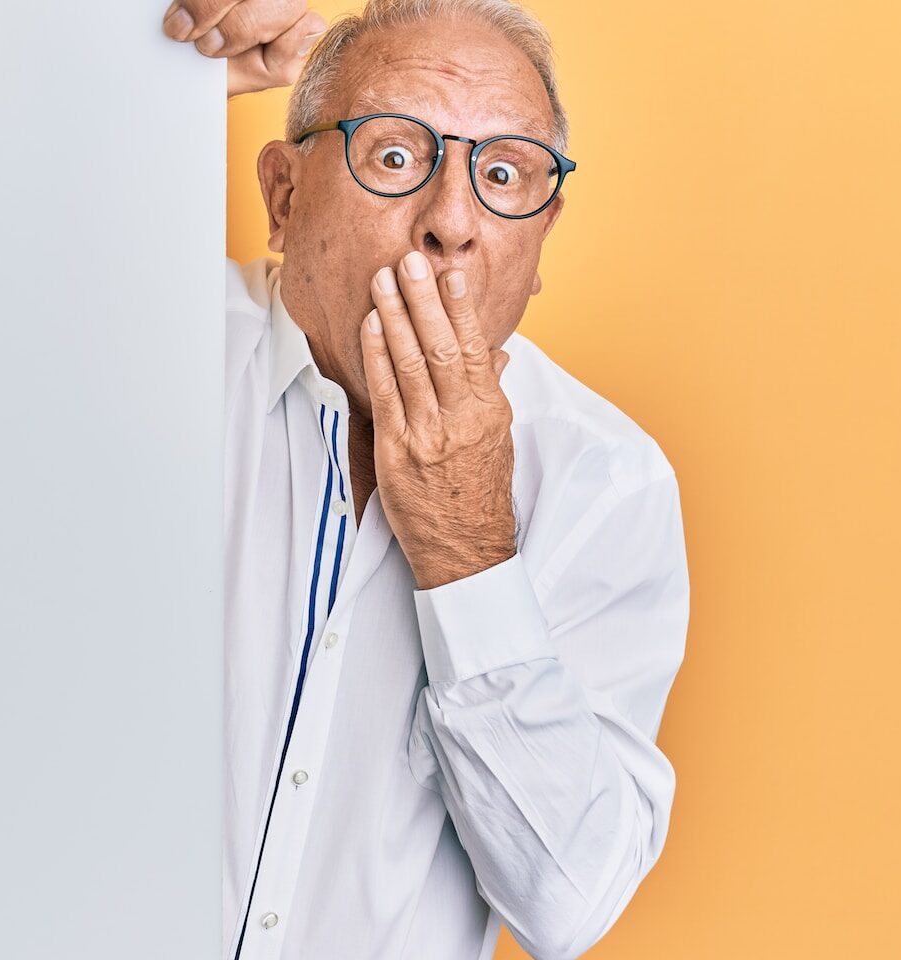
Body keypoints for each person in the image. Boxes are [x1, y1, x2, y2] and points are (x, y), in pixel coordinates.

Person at [165, 1, 690, 958]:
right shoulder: (148, 352)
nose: (451, 222)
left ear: (540, 243)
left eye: (502, 176)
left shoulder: (606, 485)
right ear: (283, 195)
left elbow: (569, 904)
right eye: (397, 156)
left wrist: (467, 549)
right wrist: (141, 58)